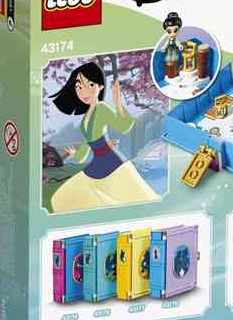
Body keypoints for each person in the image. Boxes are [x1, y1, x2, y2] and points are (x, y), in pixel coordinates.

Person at [48, 62, 159, 212]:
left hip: (113, 163)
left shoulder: (102, 108)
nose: (84, 91)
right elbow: (87, 146)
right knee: (63, 196)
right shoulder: (85, 118)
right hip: (97, 165)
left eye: (90, 85)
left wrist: (118, 103)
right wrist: (74, 154)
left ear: (100, 86)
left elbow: (124, 126)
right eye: (79, 87)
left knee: (139, 201)